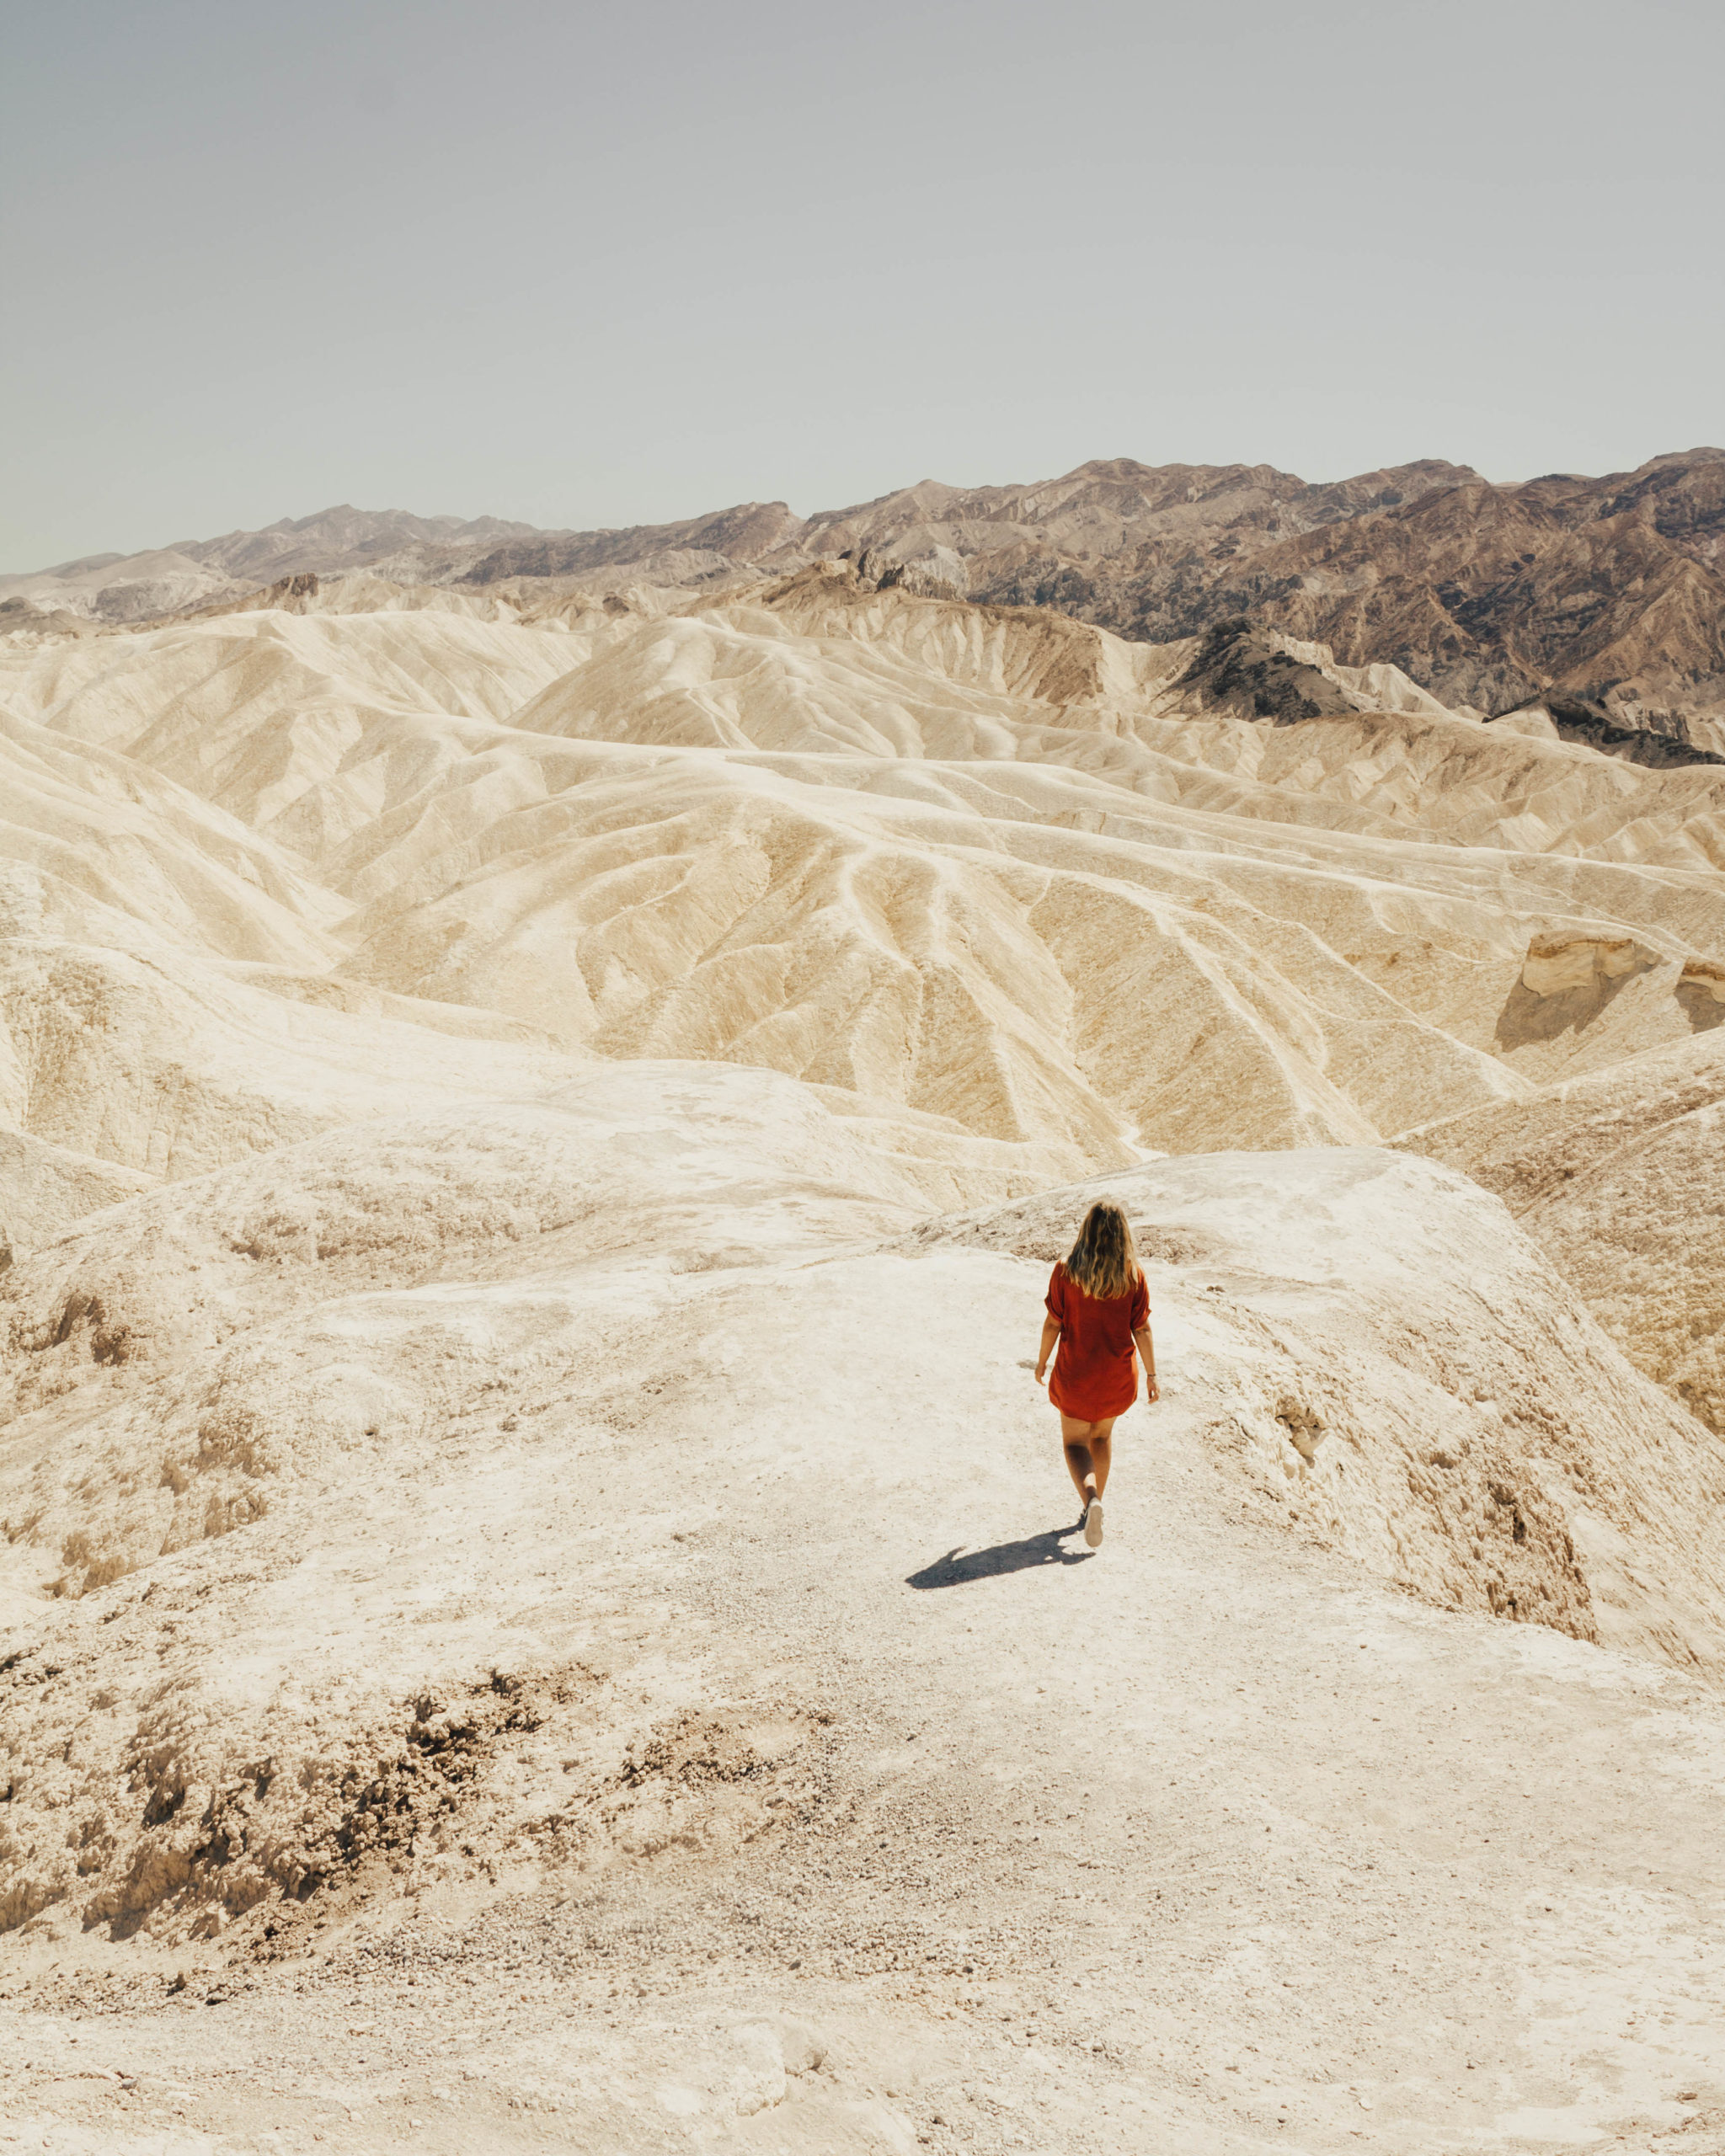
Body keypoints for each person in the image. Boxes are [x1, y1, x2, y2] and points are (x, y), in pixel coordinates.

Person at [1033, 1200, 1158, 1548]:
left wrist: (1042, 1362)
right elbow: (1143, 1329)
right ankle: (1094, 1506)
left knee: (1075, 1442)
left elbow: (1052, 1323)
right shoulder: (1134, 1275)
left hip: (1076, 1374)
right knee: (1101, 1438)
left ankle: (1091, 1502)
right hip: (1116, 1376)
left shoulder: (1065, 1271)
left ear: (1086, 1231)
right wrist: (1151, 1375)